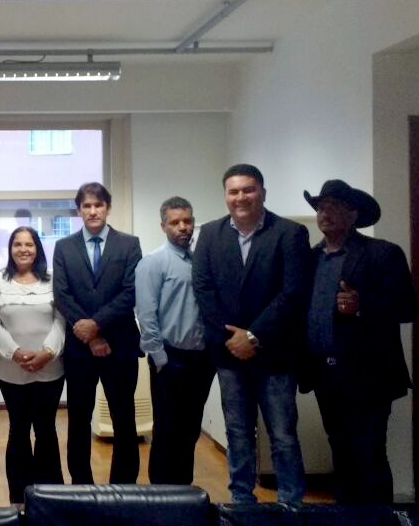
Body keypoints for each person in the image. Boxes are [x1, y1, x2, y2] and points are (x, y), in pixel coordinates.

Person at [192, 164, 309, 505]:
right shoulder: (210, 234)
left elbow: (293, 292)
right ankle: (241, 501)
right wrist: (234, 338)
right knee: (238, 432)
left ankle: (291, 503)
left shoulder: (290, 233)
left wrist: (254, 336)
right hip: (229, 354)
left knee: (283, 435)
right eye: (234, 191)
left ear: (263, 193)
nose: (241, 197)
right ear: (225, 196)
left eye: (248, 189)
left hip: (275, 354)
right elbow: (203, 288)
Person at [300, 179, 418, 503]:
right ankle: (347, 517)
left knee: (369, 455)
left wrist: (362, 304)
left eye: (334, 207)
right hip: (325, 375)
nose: (325, 213)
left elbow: (408, 308)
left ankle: (379, 520)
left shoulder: (383, 254)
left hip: (369, 376)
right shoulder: (310, 259)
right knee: (340, 452)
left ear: (353, 214)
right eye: (321, 207)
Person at [52, 182, 143, 485]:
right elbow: (62, 295)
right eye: (87, 206)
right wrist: (90, 335)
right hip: (80, 349)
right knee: (78, 419)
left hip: (121, 346)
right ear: (78, 210)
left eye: (98, 205)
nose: (93, 211)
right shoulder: (64, 247)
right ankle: (81, 486)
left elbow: (131, 292)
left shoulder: (129, 244)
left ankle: (124, 487)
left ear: (108, 208)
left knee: (124, 418)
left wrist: (96, 325)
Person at [135, 196, 215, 485]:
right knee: (167, 430)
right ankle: (161, 494)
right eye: (175, 222)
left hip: (202, 359)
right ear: (163, 226)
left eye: (187, 221)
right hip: (170, 359)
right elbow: (146, 314)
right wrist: (159, 358)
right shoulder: (153, 263)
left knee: (190, 429)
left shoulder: (200, 262)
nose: (183, 227)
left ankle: (184, 491)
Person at [0, 226, 65, 506]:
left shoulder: (53, 280)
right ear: (10, 249)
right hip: (12, 369)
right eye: (17, 244)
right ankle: (19, 496)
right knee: (18, 429)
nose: (23, 249)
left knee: (45, 429)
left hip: (50, 368)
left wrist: (47, 352)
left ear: (37, 248)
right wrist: (15, 352)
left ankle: (51, 495)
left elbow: (61, 320)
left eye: (29, 244)